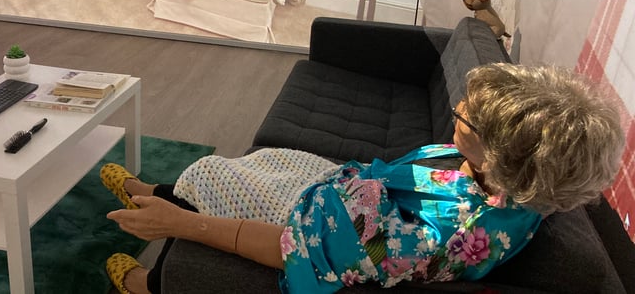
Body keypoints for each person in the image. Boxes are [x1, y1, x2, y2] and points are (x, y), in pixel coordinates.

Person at [102, 63, 624, 293]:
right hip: (353, 201)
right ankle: (153, 193)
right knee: (260, 160)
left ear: (503, 160)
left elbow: (294, 248)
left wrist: (181, 226)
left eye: (469, 119)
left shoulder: (424, 236)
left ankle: (152, 281)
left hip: (323, 227)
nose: (459, 108)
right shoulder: (527, 193)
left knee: (216, 176)